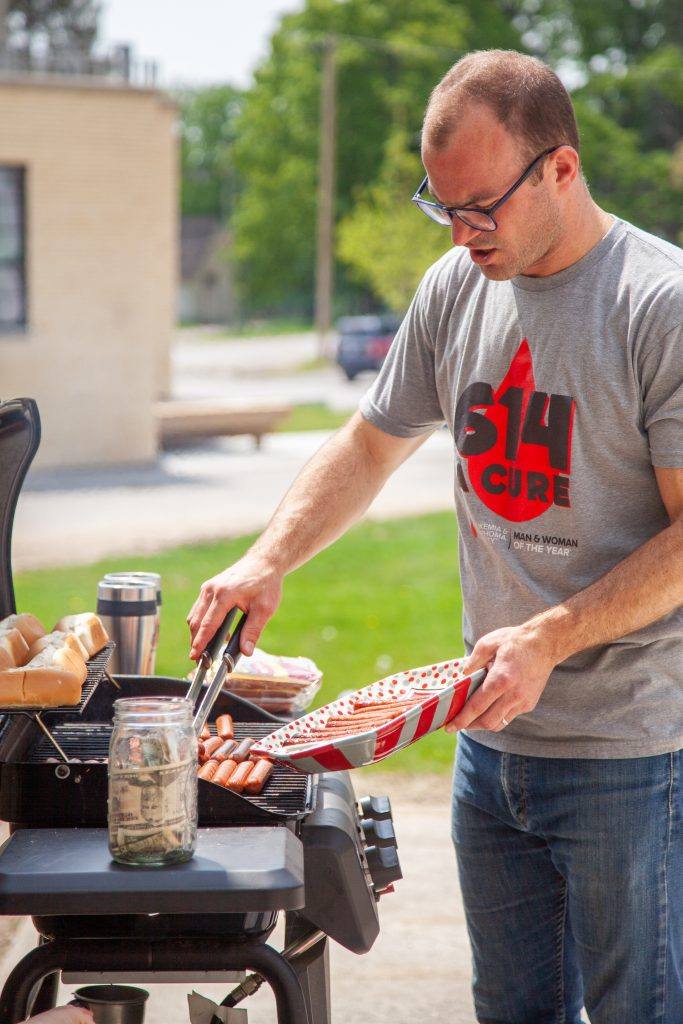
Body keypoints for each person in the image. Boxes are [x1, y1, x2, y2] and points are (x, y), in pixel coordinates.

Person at [187, 48, 683, 1024]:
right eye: (440, 206)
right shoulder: (455, 288)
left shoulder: (654, 305)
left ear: (560, 169)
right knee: (510, 1008)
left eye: (479, 208)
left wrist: (550, 636)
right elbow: (369, 446)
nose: (460, 235)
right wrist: (267, 557)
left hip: (627, 752)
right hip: (487, 746)